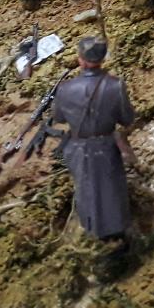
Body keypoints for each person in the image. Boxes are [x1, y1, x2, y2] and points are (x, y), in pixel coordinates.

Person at [52, 36, 136, 247]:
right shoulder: (115, 85)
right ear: (102, 58)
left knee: (85, 189)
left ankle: (91, 231)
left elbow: (59, 118)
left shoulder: (65, 88)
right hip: (106, 147)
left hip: (77, 148)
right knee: (112, 190)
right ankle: (118, 233)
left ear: (80, 59)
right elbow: (127, 119)